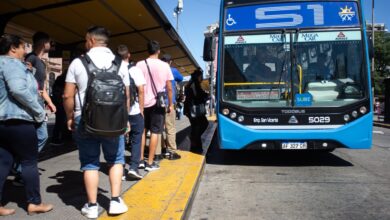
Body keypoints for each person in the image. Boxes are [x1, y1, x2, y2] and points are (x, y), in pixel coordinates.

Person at [63, 26, 129, 218]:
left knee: (90, 163)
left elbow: (67, 95)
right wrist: (125, 120)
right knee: (116, 159)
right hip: (115, 120)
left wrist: (69, 116)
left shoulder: (78, 62)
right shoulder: (120, 63)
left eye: (85, 40)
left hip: (84, 119)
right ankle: (115, 201)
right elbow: (126, 95)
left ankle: (92, 206)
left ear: (91, 40)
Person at [0, 34, 53, 216]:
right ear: (13, 48)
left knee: (4, 162)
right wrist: (38, 112)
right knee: (29, 161)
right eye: (23, 47)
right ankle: (34, 203)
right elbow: (17, 89)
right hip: (19, 120)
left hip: (2, 122)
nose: (25, 51)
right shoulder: (13, 64)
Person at [13, 31, 57, 186]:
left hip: (38, 101)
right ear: (42, 42)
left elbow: (41, 87)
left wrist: (50, 102)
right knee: (41, 135)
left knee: (36, 136)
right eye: (48, 41)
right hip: (33, 102)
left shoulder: (39, 61)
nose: (50, 44)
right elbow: (28, 84)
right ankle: (20, 168)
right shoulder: (31, 58)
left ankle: (19, 166)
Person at [136, 40, 174, 171]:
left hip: (141, 103)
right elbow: (169, 88)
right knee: (155, 132)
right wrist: (171, 104)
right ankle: (150, 163)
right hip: (158, 104)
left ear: (148, 50)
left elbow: (136, 85)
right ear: (158, 51)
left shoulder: (139, 64)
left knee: (141, 131)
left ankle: (140, 160)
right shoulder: (165, 66)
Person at [117, 44, 146, 180]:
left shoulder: (114, 69)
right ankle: (133, 168)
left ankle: (120, 170)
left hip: (119, 111)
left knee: (120, 139)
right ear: (128, 55)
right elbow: (141, 90)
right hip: (134, 111)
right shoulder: (135, 70)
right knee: (136, 139)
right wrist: (141, 109)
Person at [158, 53, 183, 160]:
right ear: (170, 62)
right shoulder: (172, 70)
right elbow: (181, 78)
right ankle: (172, 151)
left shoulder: (157, 70)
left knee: (158, 129)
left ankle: (159, 150)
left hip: (158, 103)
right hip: (169, 104)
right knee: (170, 128)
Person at [184, 69, 209, 153]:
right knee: (200, 126)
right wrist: (206, 96)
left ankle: (195, 145)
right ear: (198, 76)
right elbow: (198, 96)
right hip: (194, 110)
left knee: (197, 128)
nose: (202, 77)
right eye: (201, 76)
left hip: (191, 110)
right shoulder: (194, 84)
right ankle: (195, 146)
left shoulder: (191, 83)